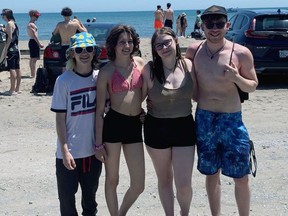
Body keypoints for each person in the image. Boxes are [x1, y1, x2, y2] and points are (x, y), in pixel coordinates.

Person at [185, 5, 258, 216]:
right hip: (204, 118)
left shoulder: (241, 53)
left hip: (232, 120)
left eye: (219, 24)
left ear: (227, 25)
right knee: (211, 173)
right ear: (202, 26)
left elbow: (252, 85)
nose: (214, 29)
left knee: (241, 176)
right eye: (209, 24)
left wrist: (237, 78)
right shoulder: (194, 50)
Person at [142, 27, 197, 216]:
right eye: (159, 45)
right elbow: (135, 97)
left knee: (184, 185)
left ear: (175, 41)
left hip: (184, 128)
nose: (164, 47)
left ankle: (185, 213)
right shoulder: (149, 69)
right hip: (156, 128)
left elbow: (201, 94)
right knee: (164, 179)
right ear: (155, 49)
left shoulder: (189, 65)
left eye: (167, 42)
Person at [95, 25, 145, 216]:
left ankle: (121, 212)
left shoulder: (141, 64)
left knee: (138, 184)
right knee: (112, 179)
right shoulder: (106, 71)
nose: (126, 45)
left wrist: (145, 113)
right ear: (113, 45)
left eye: (130, 41)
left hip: (134, 126)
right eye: (122, 42)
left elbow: (150, 92)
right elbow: (100, 111)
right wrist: (98, 143)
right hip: (113, 125)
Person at [50, 32, 102, 216]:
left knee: (90, 202)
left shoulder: (99, 78)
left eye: (89, 48)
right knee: (67, 203)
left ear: (94, 51)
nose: (84, 53)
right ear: (72, 53)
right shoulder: (63, 81)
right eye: (79, 49)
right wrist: (64, 150)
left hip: (93, 153)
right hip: (69, 153)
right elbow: (59, 119)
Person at [1, 8, 21, 96]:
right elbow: (15, 36)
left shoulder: (9, 23)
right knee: (17, 68)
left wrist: (6, 50)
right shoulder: (14, 23)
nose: (2, 17)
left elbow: (9, 38)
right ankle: (17, 88)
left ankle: (12, 89)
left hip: (11, 49)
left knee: (11, 68)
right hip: (16, 48)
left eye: (3, 15)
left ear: (7, 15)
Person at [27, 10, 44, 78]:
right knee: (34, 59)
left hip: (33, 41)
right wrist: (39, 43)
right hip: (33, 41)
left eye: (38, 16)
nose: (37, 17)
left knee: (33, 58)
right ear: (32, 16)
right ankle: (33, 74)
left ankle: (32, 73)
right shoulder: (31, 24)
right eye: (36, 16)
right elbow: (34, 35)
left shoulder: (32, 24)